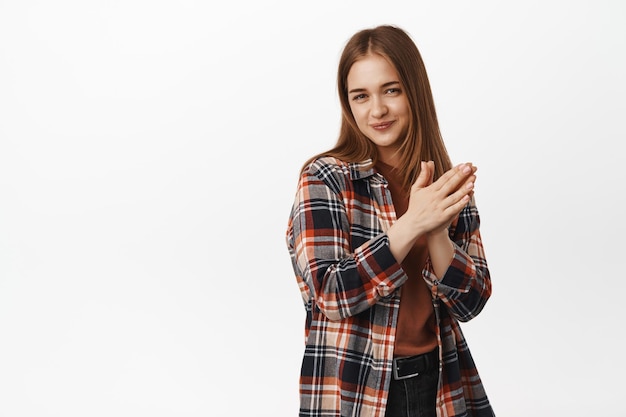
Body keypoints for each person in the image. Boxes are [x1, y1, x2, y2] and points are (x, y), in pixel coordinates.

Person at [285, 25, 494, 417]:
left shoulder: (445, 184)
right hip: (356, 391)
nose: (376, 110)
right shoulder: (325, 178)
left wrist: (436, 232)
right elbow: (330, 293)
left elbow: (472, 301)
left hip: (441, 383)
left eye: (391, 90)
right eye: (360, 96)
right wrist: (412, 223)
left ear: (414, 91)